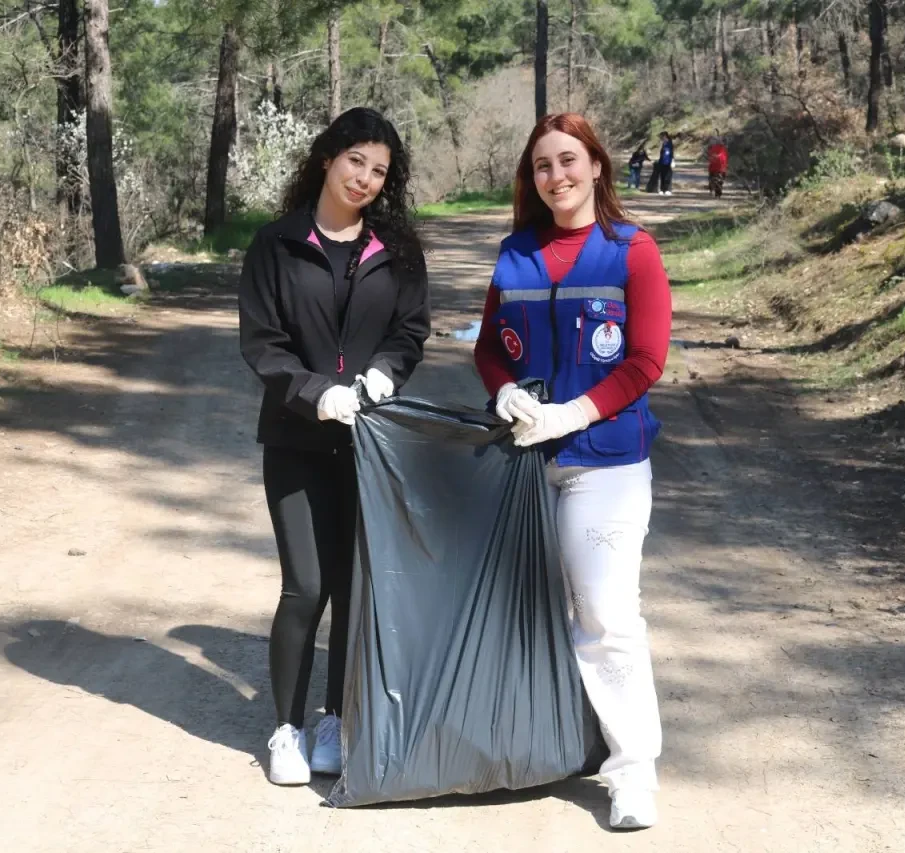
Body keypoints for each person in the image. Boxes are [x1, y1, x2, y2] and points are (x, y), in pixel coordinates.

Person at [473, 113, 672, 830]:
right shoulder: (515, 254)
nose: (556, 176)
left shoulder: (631, 250)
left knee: (606, 614)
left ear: (595, 165)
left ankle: (632, 770)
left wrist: (574, 413)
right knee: (526, 616)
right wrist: (503, 389)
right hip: (525, 464)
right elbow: (490, 347)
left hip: (606, 463)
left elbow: (646, 359)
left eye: (567, 160)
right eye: (542, 166)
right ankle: (539, 744)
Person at [238, 107, 430, 787]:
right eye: (356, 161)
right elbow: (261, 342)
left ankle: (333, 718)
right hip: (295, 436)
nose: (366, 179)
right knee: (307, 585)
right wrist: (315, 390)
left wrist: (382, 373)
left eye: (379, 170)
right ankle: (285, 728)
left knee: (353, 587)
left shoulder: (397, 250)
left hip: (369, 443)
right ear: (327, 157)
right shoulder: (276, 244)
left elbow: (409, 331)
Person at [706, 133, 728, 199]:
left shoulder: (715, 148)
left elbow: (710, 156)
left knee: (714, 178)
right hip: (720, 167)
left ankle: (714, 191)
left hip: (717, 166)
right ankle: (717, 193)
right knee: (718, 180)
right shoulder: (722, 148)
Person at [656, 131, 675, 196]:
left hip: (668, 162)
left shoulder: (670, 143)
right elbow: (661, 154)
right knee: (662, 176)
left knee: (668, 176)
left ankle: (668, 189)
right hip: (662, 162)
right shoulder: (663, 144)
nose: (661, 138)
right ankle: (662, 189)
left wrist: (672, 161)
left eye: (662, 136)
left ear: (665, 136)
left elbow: (671, 153)